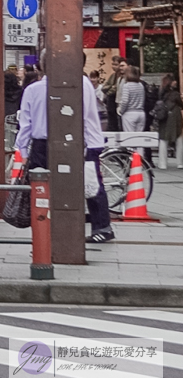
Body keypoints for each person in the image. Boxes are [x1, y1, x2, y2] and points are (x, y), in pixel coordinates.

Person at [14, 52, 115, 243]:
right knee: (89, 184)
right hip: (79, 141)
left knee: (45, 187)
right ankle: (100, 226)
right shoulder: (81, 83)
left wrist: (23, 150)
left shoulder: (33, 90)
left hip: (47, 143)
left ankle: (49, 225)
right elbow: (81, 116)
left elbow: (25, 123)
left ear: (40, 67)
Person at [118, 64, 148, 134]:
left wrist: (121, 111)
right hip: (141, 113)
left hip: (129, 113)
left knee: (130, 138)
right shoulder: (141, 85)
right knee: (138, 137)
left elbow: (125, 101)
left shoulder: (127, 86)